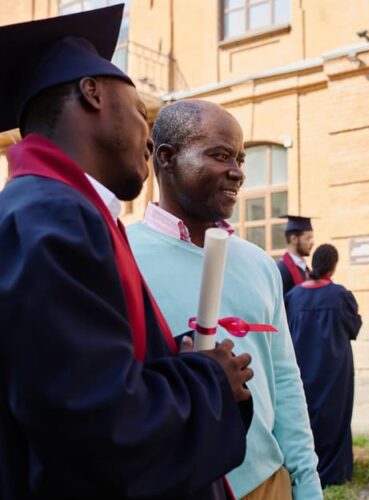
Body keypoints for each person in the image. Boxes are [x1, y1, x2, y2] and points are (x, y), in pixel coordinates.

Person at [0, 7, 254, 499]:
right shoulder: (50, 217)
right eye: (142, 114)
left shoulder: (64, 208)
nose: (148, 136)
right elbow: (94, 424)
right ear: (93, 92)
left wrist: (175, 364)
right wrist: (209, 380)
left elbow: (94, 373)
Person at [127, 99, 323, 500]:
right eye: (220, 155)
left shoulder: (258, 263)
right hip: (174, 484)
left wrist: (305, 480)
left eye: (240, 158)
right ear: (166, 157)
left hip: (265, 480)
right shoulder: (121, 257)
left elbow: (284, 379)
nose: (237, 171)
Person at [285, 244, 363, 487]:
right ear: (333, 265)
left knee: (306, 416)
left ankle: (308, 469)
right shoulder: (340, 295)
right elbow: (354, 328)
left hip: (301, 366)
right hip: (334, 367)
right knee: (335, 416)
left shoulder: (294, 296)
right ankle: (335, 472)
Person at [277, 215, 314, 296]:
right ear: (294, 239)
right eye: (308, 239)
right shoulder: (281, 270)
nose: (312, 243)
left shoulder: (306, 269)